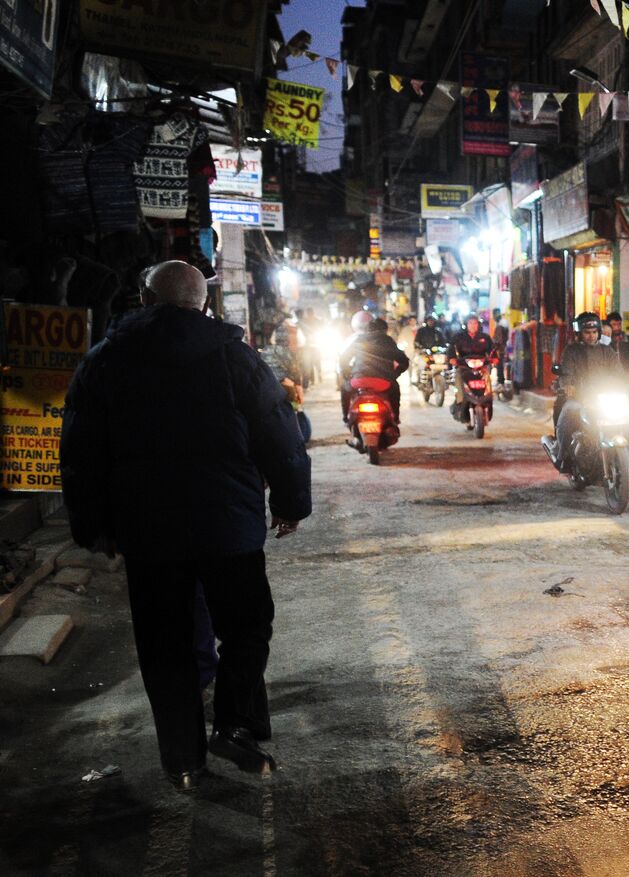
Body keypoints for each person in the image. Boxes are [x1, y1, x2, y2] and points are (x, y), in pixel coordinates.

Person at [60, 260, 311, 791]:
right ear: (202, 304)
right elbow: (280, 435)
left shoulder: (105, 361)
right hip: (229, 529)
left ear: (145, 301)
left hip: (149, 535)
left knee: (164, 645)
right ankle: (235, 723)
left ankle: (183, 761)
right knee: (246, 628)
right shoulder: (234, 358)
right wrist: (290, 503)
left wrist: (93, 525)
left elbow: (81, 452)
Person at [544, 312, 623, 467]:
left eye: (594, 332)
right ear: (580, 333)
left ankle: (618, 456)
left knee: (627, 418)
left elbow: (619, 372)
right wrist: (568, 386)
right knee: (568, 413)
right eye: (587, 333)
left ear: (599, 332)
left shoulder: (608, 351)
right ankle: (561, 454)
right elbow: (566, 372)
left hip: (603, 399)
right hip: (579, 399)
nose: (591, 336)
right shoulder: (571, 351)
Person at [339, 315, 410, 422]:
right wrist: (394, 375)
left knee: (344, 388)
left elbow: (343, 359)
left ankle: (345, 418)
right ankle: (395, 417)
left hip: (359, 381)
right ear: (385, 330)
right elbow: (404, 361)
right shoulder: (388, 341)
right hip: (383, 383)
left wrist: (347, 374)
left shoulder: (359, 340)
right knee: (395, 390)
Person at [260, 323, 310, 441]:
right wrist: (299, 394)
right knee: (294, 408)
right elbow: (296, 375)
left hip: (266, 388)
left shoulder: (266, 350)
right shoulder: (288, 352)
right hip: (284, 387)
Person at [449, 314, 495, 418]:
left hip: (481, 366)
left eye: (475, 323)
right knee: (459, 377)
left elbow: (492, 350)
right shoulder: (459, 337)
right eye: (470, 323)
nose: (473, 325)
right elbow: (451, 349)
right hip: (464, 366)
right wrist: (452, 358)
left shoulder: (485, 337)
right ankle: (460, 401)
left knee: (487, 378)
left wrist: (494, 357)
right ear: (466, 324)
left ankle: (488, 399)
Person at [491, 308, 510, 386]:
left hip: (500, 348)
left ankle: (501, 381)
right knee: (499, 364)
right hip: (502, 348)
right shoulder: (502, 323)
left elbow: (499, 339)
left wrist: (496, 348)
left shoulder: (501, 324)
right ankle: (500, 380)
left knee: (500, 365)